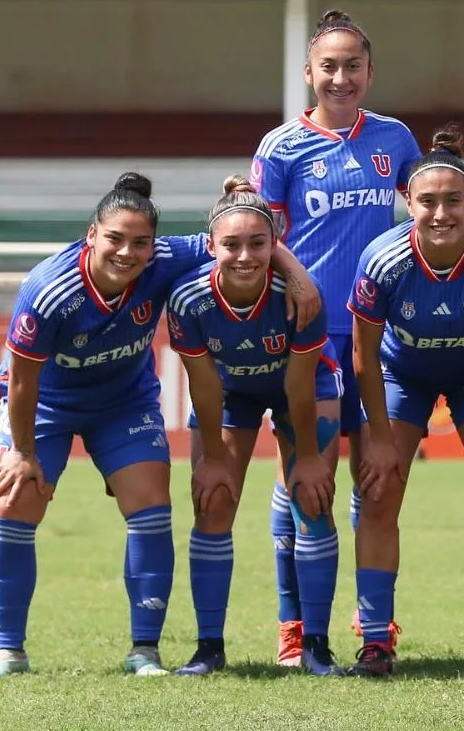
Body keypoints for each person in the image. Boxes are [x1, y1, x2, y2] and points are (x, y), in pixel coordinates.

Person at [0, 172, 318, 678]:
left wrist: (297, 274)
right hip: (44, 403)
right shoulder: (48, 289)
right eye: (115, 238)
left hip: (123, 402)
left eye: (140, 242)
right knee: (14, 499)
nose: (127, 252)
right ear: (91, 234)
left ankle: (145, 650)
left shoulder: (166, 259)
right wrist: (23, 452)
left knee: (151, 504)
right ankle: (9, 651)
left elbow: (245, 239)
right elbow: (23, 379)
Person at [251, 8, 422, 661]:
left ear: (370, 73)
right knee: (305, 481)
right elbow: (264, 238)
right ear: (308, 72)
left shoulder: (395, 139)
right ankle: (295, 627)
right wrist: (304, 287)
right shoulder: (281, 147)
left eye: (353, 65)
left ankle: (368, 617)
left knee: (371, 482)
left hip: (380, 340)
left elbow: (435, 204)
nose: (341, 77)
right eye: (330, 65)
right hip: (308, 339)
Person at [347, 130, 464, 677]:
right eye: (428, 201)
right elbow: (362, 354)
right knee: (379, 493)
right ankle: (376, 642)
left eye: (454, 201)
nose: (441, 212)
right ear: (409, 201)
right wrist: (379, 438)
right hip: (402, 372)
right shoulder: (382, 259)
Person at [167, 177, 344, 677]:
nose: (245, 255)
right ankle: (208, 648)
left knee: (312, 500)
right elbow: (203, 386)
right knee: (214, 500)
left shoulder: (301, 295)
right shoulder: (189, 300)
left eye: (257, 243)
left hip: (303, 389)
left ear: (275, 244)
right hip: (229, 394)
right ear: (210, 248)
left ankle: (316, 645)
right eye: (231, 244)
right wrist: (214, 461)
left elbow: (300, 386)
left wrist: (308, 456)